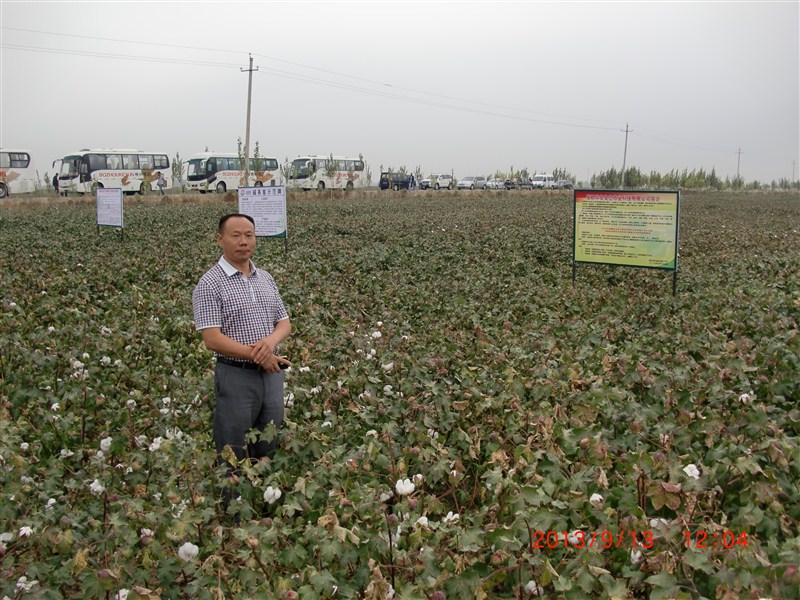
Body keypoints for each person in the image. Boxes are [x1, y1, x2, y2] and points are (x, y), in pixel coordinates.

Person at [192, 213, 291, 477]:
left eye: (249, 235)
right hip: (236, 375)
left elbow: (284, 323)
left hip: (271, 375)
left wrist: (269, 344)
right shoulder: (209, 283)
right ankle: (232, 511)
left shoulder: (265, 278)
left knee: (268, 441)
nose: (243, 241)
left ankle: (264, 502)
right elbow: (212, 339)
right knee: (233, 447)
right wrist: (257, 355)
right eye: (235, 235)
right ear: (220, 239)